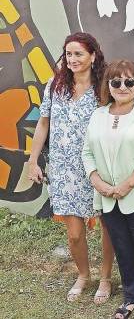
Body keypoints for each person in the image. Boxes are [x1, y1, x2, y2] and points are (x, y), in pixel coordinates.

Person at [27, 32, 114, 304]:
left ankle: (106, 277)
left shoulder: (104, 87)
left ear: (93, 56)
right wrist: (33, 160)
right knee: (75, 233)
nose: (72, 59)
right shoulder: (55, 85)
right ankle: (83, 274)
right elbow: (43, 123)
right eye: (68, 54)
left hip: (98, 168)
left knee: (106, 227)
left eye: (78, 54)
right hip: (64, 169)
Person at [82, 60, 134, 319]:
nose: (122, 86)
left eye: (128, 81)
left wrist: (125, 185)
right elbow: (87, 152)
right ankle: (131, 295)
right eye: (115, 81)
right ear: (108, 85)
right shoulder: (99, 114)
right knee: (123, 249)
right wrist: (98, 182)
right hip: (108, 198)